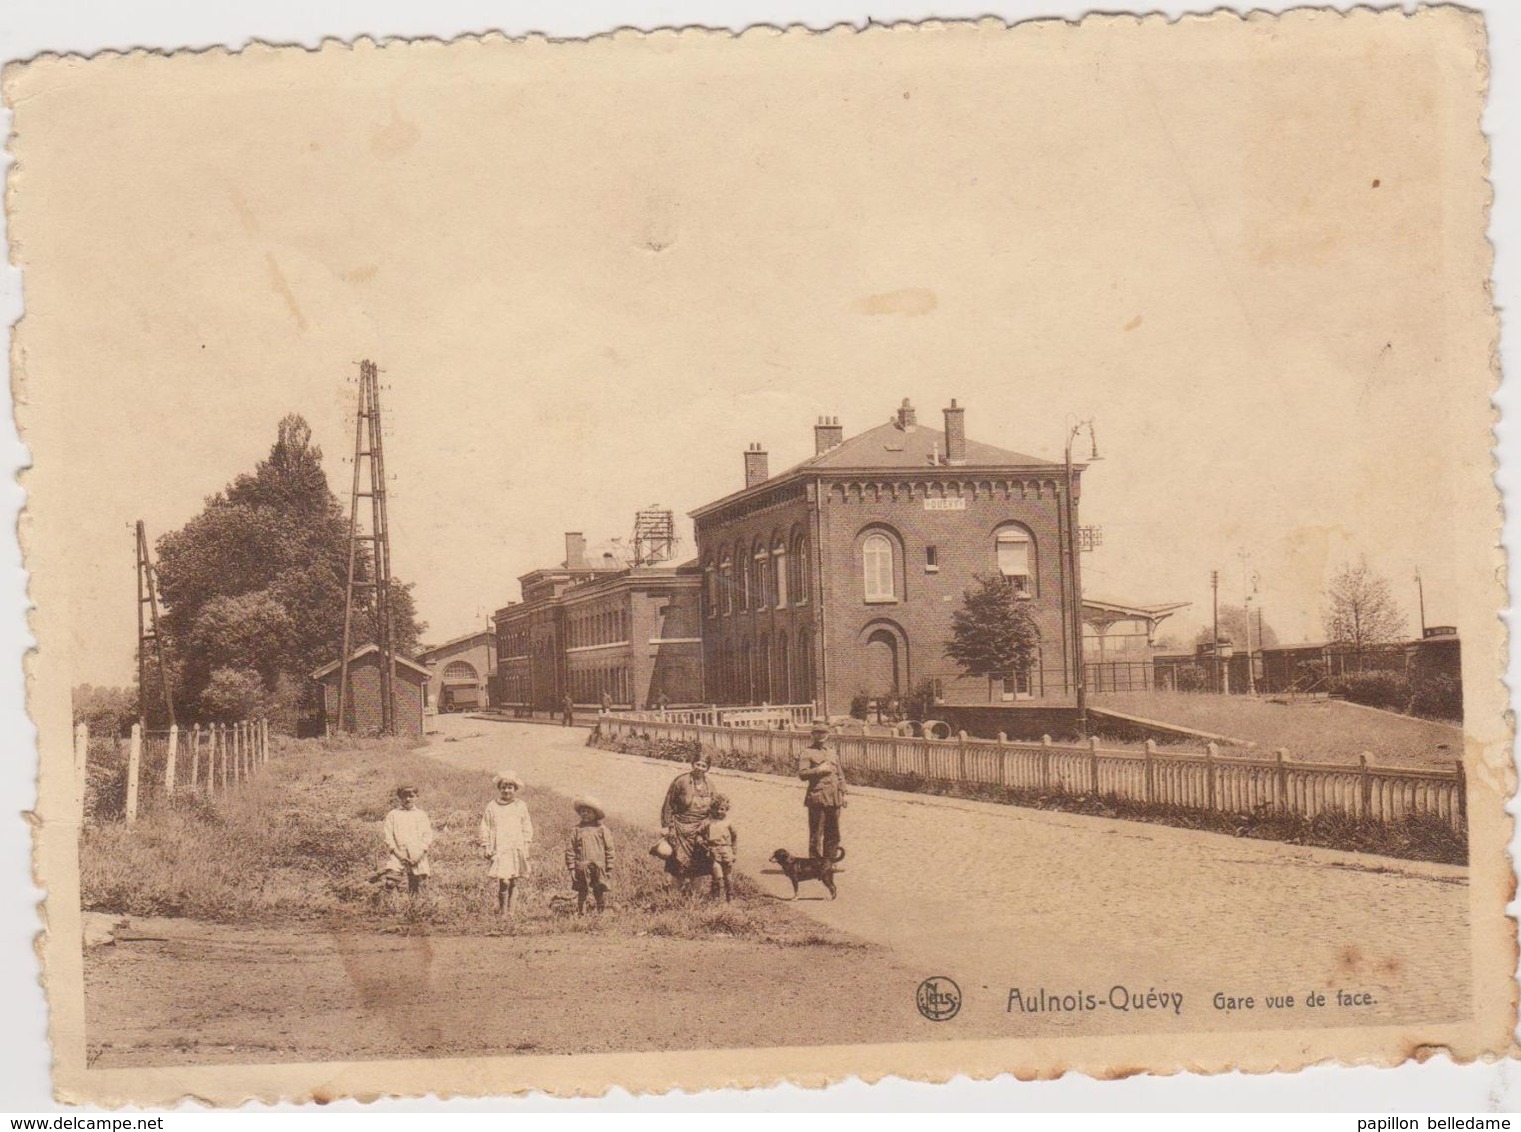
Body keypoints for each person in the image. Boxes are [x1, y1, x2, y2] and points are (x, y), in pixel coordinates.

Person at [658, 750, 716, 884]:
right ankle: (672, 889)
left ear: (707, 768)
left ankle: (692, 891)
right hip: (681, 828)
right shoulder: (681, 781)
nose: (700, 768)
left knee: (698, 861)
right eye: (698, 764)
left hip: (700, 830)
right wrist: (666, 826)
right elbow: (668, 804)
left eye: (703, 766)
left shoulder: (710, 785)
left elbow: (715, 808)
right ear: (692, 764)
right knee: (676, 861)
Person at [480, 771, 534, 915]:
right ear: (499, 788)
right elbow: (485, 826)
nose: (506, 790)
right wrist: (486, 845)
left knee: (514, 880)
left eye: (510, 787)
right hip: (500, 848)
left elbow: (526, 826)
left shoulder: (520, 805)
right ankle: (503, 912)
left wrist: (526, 845)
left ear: (515, 789)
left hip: (516, 847)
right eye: (504, 787)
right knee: (504, 881)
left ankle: (511, 912)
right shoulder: (492, 806)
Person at [799, 723, 846, 860]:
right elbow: (802, 774)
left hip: (834, 798)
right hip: (818, 798)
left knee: (833, 833)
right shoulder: (807, 753)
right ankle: (815, 863)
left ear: (827, 735)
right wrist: (818, 770)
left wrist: (844, 794)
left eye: (823, 733)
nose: (820, 736)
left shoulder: (832, 752)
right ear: (812, 735)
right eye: (817, 733)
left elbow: (840, 775)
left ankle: (829, 863)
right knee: (816, 834)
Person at [382, 785, 434, 897]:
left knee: (418, 884)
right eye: (404, 796)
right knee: (391, 882)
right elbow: (388, 837)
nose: (408, 799)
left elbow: (427, 836)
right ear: (400, 797)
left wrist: (419, 855)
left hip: (417, 855)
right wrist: (399, 855)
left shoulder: (421, 815)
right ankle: (389, 907)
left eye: (411, 796)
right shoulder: (393, 814)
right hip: (398, 854)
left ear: (417, 797)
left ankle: (414, 908)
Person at [565, 796, 615, 913]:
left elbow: (609, 849)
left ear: (595, 814)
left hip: (599, 865)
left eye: (588, 811)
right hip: (581, 866)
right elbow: (570, 849)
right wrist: (571, 867)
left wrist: (609, 866)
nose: (585, 814)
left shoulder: (602, 829)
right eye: (583, 812)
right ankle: (581, 912)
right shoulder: (576, 830)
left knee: (599, 890)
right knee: (582, 889)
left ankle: (600, 912)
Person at [702, 794, 738, 902]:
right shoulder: (708, 822)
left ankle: (730, 897)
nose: (719, 812)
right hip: (713, 850)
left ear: (726, 809)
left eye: (722, 809)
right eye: (716, 809)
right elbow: (699, 833)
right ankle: (716, 897)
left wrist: (734, 851)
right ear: (711, 809)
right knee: (717, 874)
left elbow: (734, 836)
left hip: (726, 850)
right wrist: (701, 840)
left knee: (728, 875)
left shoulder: (728, 822)